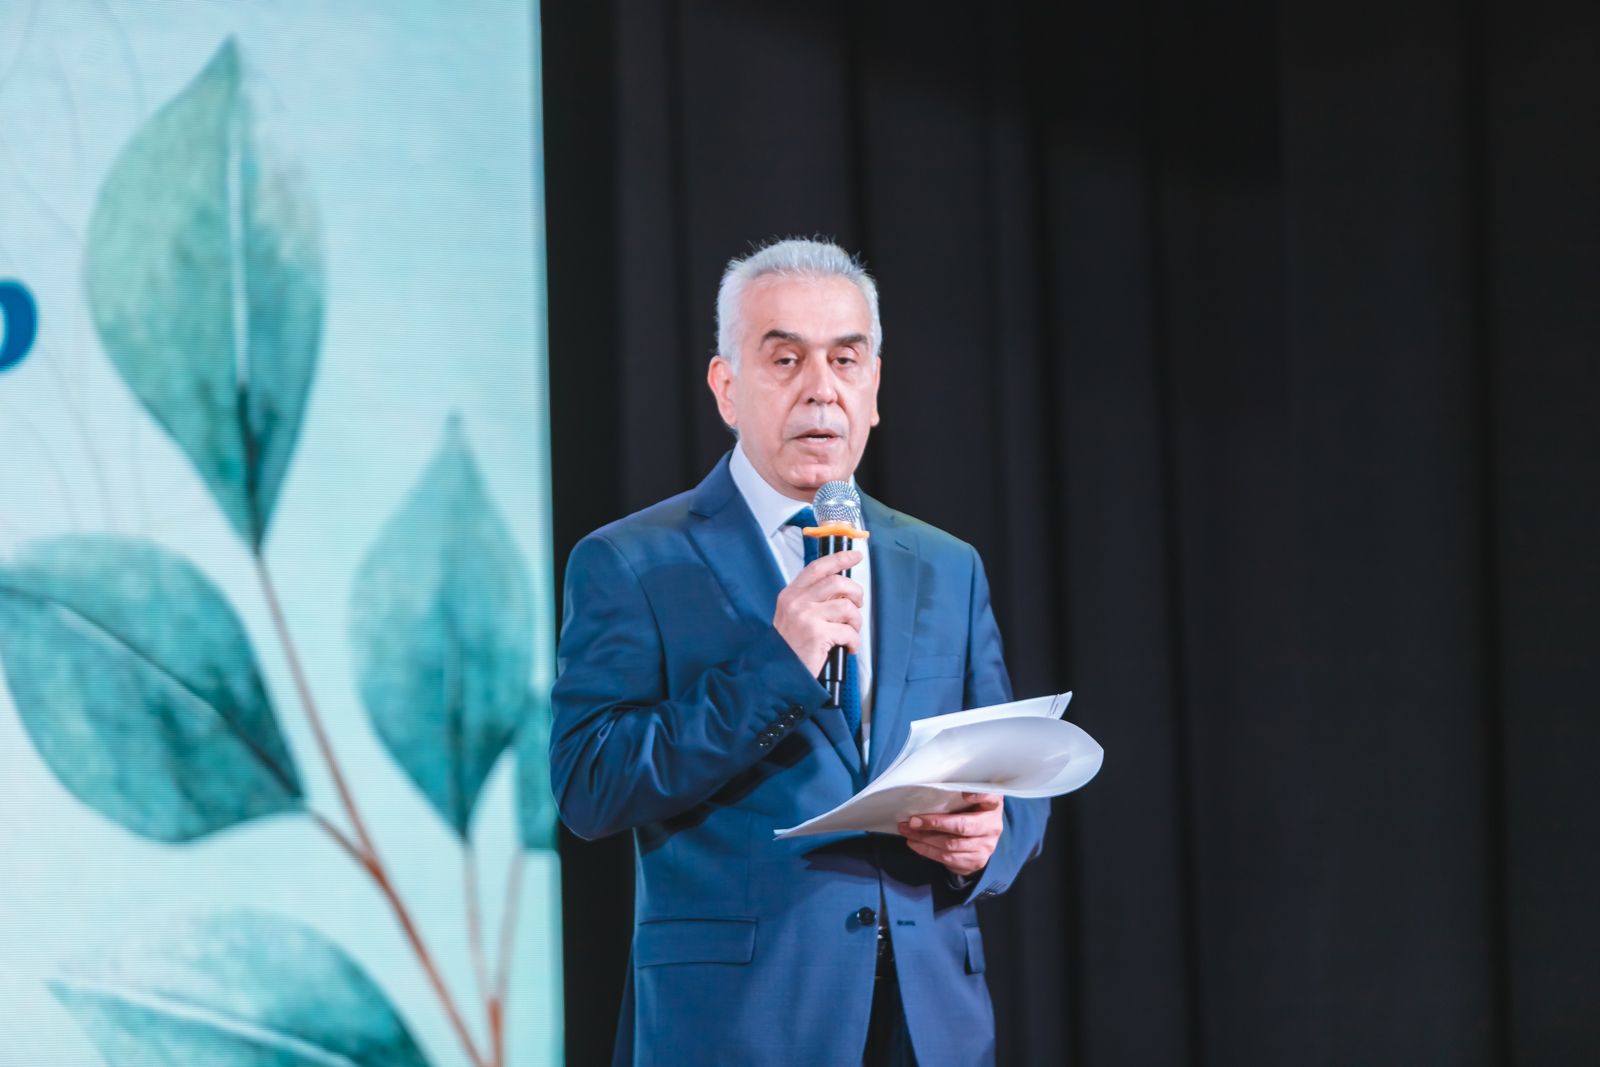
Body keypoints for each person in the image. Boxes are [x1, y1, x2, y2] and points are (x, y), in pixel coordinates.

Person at [550, 238, 1049, 1066]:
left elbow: (1006, 770)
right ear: (726, 387)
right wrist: (775, 670)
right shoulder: (632, 561)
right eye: (785, 359)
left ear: (874, 387)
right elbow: (589, 784)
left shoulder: (946, 564)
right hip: (740, 1024)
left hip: (929, 1023)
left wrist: (991, 838)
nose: (821, 387)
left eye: (845, 360)